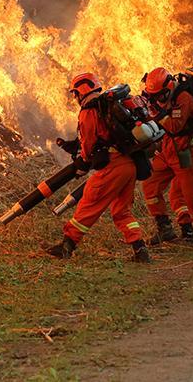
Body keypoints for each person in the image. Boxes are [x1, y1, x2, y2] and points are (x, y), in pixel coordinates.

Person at [46, 73, 151, 262]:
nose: (75, 98)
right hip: (129, 164)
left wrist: (82, 162)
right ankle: (140, 249)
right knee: (121, 210)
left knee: (88, 204)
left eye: (75, 93)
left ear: (81, 91)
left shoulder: (88, 111)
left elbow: (89, 145)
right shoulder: (108, 105)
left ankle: (67, 246)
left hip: (113, 166)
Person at [144, 67, 193, 247]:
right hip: (169, 148)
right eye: (154, 96)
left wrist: (156, 114)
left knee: (191, 196)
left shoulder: (184, 98)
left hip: (188, 150)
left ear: (169, 87)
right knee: (150, 185)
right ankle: (165, 228)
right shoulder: (163, 97)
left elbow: (175, 126)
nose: (158, 99)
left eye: (160, 96)